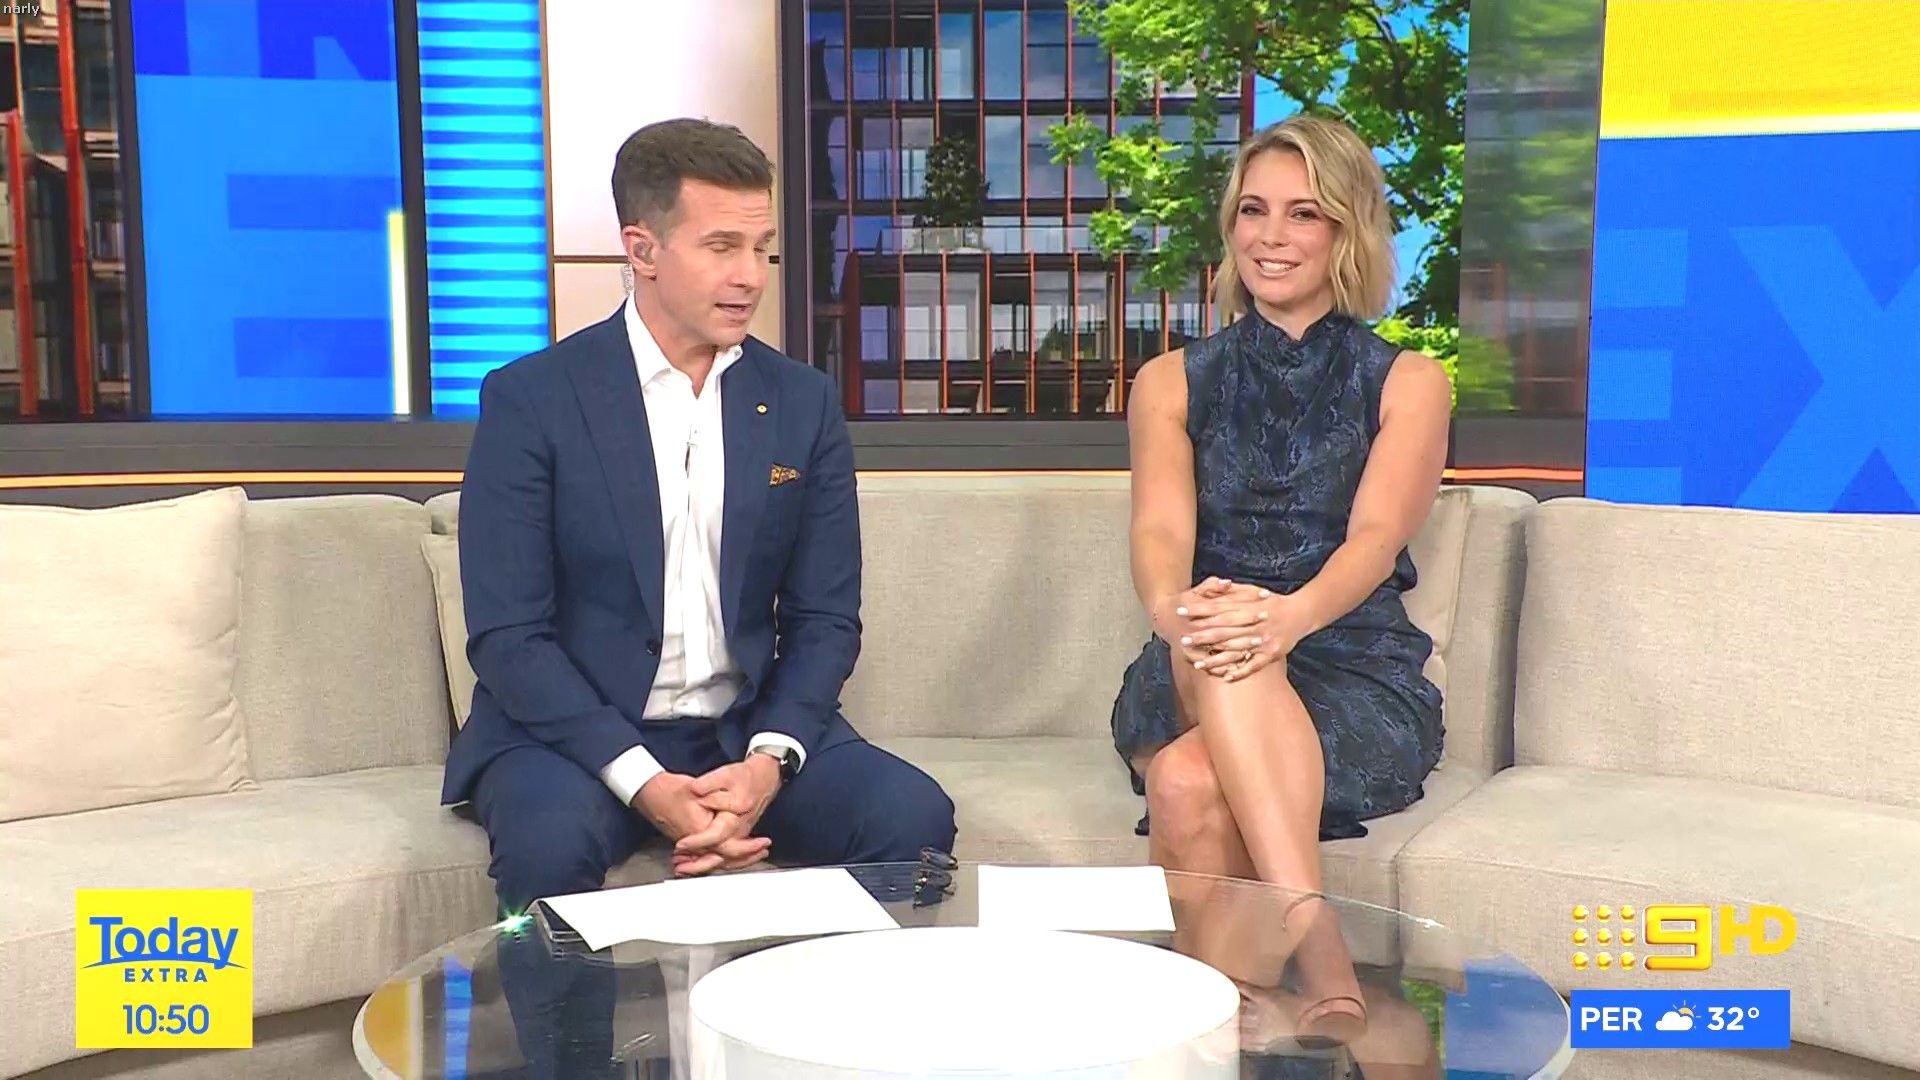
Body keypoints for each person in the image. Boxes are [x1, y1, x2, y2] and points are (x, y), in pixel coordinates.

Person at [444, 117, 957, 918]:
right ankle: (565, 1014)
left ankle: (806, 1003)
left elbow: (825, 619)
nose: (750, 276)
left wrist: (765, 767)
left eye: (761, 247)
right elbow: (510, 637)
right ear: (642, 250)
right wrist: (646, 783)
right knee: (548, 846)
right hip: (574, 740)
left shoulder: (801, 403)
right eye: (721, 247)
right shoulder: (532, 400)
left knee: (910, 817)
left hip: (741, 732)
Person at [1111, 115, 1452, 1042]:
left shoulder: (1409, 381)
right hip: (1194, 649)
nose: (1271, 235)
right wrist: (1176, 612)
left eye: (1304, 213)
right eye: (1253, 210)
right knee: (1225, 634)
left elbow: (1374, 540)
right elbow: (1160, 528)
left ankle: (1207, 1037)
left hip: (1349, 663)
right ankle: (1317, 937)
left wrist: (1287, 617)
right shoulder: (1169, 381)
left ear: (1347, 230)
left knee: (1187, 781)